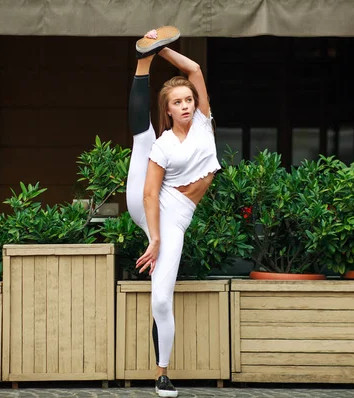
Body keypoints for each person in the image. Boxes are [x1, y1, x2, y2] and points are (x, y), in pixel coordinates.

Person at [126, 26, 221, 397]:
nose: (185, 104)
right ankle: (141, 66)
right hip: (149, 203)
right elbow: (150, 195)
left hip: (178, 214)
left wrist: (162, 48)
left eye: (188, 100)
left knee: (161, 298)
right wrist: (155, 238)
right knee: (142, 138)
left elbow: (195, 70)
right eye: (177, 102)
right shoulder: (164, 144)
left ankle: (161, 374)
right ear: (168, 109)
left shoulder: (203, 123)